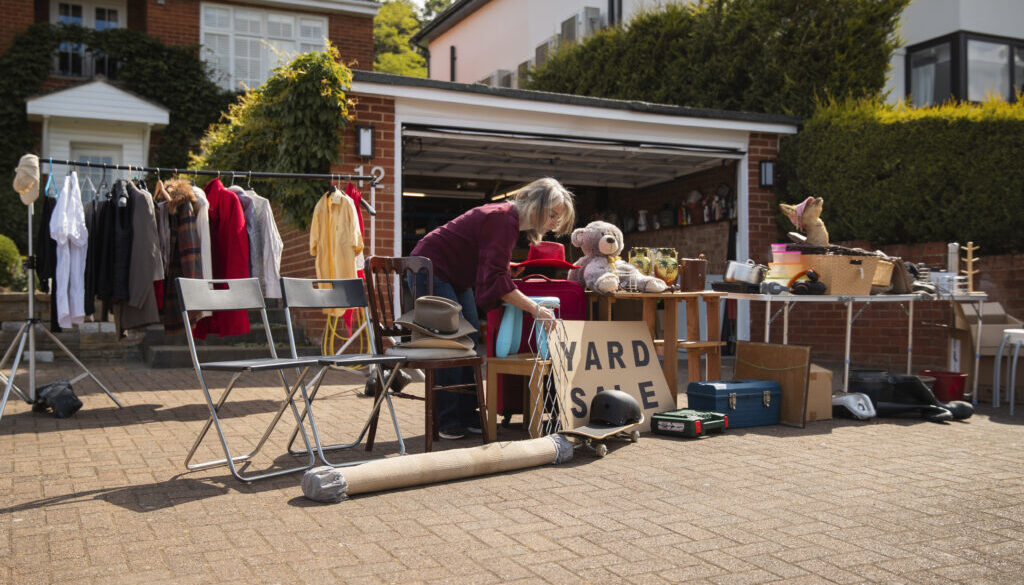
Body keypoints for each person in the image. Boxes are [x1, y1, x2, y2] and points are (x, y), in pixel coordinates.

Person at [409, 177, 577, 440]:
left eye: (559, 218)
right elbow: (496, 280)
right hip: (432, 268)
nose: (555, 222)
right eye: (553, 214)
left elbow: (490, 264)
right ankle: (448, 420)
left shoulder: (508, 222)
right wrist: (536, 309)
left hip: (453, 273)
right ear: (536, 204)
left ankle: (466, 414)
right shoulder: (502, 219)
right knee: (452, 342)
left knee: (471, 337)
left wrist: (506, 271)